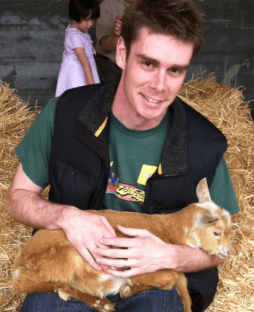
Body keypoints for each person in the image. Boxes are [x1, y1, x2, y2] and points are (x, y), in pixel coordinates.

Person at [7, 0, 239, 311]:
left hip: (154, 274)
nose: (159, 85)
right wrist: (65, 217)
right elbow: (18, 198)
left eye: (175, 70)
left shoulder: (204, 144)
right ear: (121, 54)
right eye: (148, 63)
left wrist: (169, 255)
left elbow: (219, 249)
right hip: (74, 264)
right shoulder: (64, 113)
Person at [55, 0, 100, 97]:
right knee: (79, 99)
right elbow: (85, 63)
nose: (91, 23)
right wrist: (93, 89)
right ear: (76, 16)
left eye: (93, 19)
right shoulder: (75, 37)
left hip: (83, 72)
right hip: (76, 76)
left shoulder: (80, 31)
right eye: (87, 20)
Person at [94, 0, 137, 82]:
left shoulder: (151, 7)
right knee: (113, 81)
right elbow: (105, 48)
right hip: (109, 61)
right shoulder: (107, 5)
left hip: (136, 63)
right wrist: (116, 35)